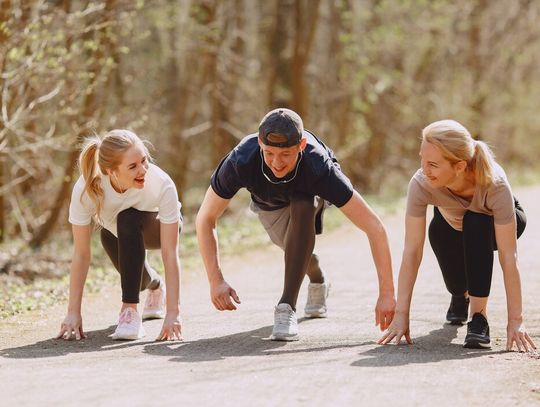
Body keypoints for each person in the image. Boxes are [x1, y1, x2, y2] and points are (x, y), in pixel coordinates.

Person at [196, 108, 395, 341]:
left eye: (286, 154)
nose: (276, 163)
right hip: (270, 206)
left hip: (309, 195)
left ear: (301, 146)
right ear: (260, 142)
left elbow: (375, 227)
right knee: (298, 254)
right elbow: (205, 218)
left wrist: (387, 294)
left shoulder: (318, 166)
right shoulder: (241, 160)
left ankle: (286, 307)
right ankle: (318, 279)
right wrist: (215, 279)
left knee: (303, 201)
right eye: (269, 153)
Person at [378, 120, 536, 351]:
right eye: (421, 159)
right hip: (449, 223)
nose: (424, 169)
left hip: (491, 224)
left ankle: (478, 318)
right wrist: (401, 314)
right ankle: (460, 296)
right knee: (455, 280)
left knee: (476, 220)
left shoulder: (494, 184)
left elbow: (509, 257)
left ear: (459, 166)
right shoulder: (421, 183)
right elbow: (411, 250)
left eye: (432, 164)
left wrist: (516, 320)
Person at [56, 129, 182, 341]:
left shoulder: (161, 183)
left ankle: (129, 313)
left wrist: (173, 314)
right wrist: (73, 312)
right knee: (133, 274)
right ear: (110, 171)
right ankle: (155, 285)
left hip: (159, 228)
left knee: (128, 217)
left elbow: (170, 252)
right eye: (133, 166)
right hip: (117, 234)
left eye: (144, 160)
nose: (143, 169)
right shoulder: (86, 189)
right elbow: (81, 254)